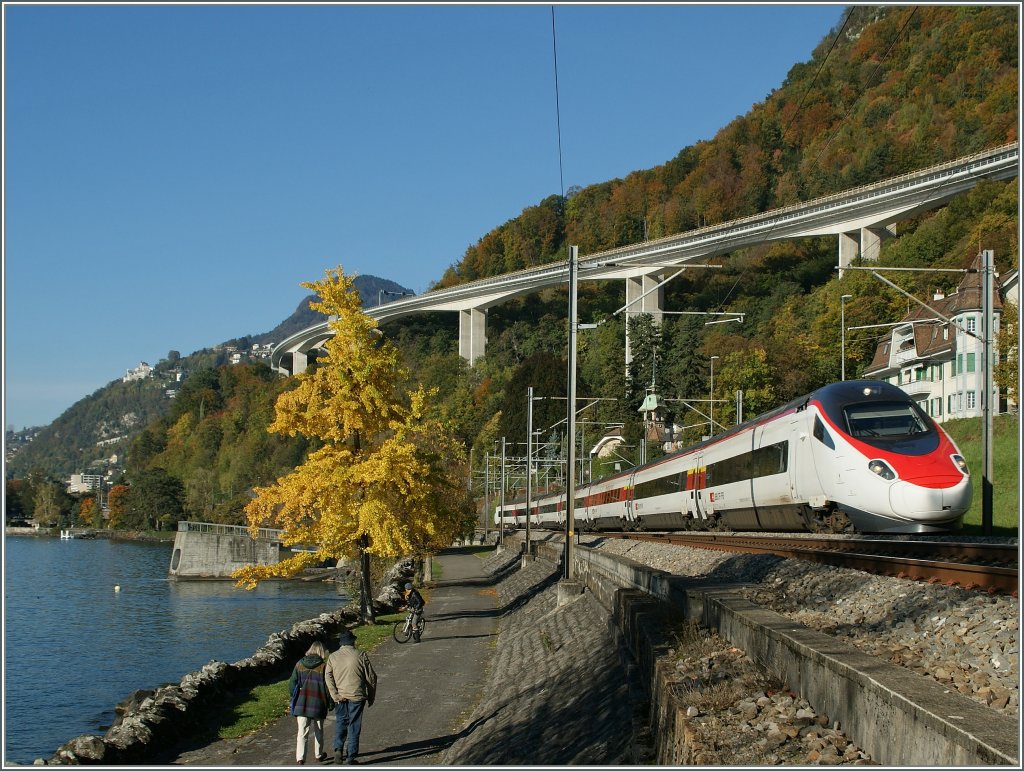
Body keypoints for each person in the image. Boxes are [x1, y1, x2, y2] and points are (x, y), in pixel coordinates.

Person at [325, 627, 377, 765]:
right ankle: (351, 756)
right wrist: (371, 696)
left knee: (341, 722)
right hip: (356, 696)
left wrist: (334, 694)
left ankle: (338, 748)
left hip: (340, 696)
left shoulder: (333, 657)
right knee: (354, 725)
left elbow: (327, 675)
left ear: (341, 643)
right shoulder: (360, 655)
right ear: (352, 642)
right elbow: (371, 677)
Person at [288, 640, 332, 765]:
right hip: (318, 701)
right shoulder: (323, 666)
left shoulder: (299, 664)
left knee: (302, 731)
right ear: (321, 651)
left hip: (302, 702)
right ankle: (318, 754)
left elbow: (292, 684)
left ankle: (300, 758)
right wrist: (330, 702)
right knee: (319, 729)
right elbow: (327, 686)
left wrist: (294, 696)